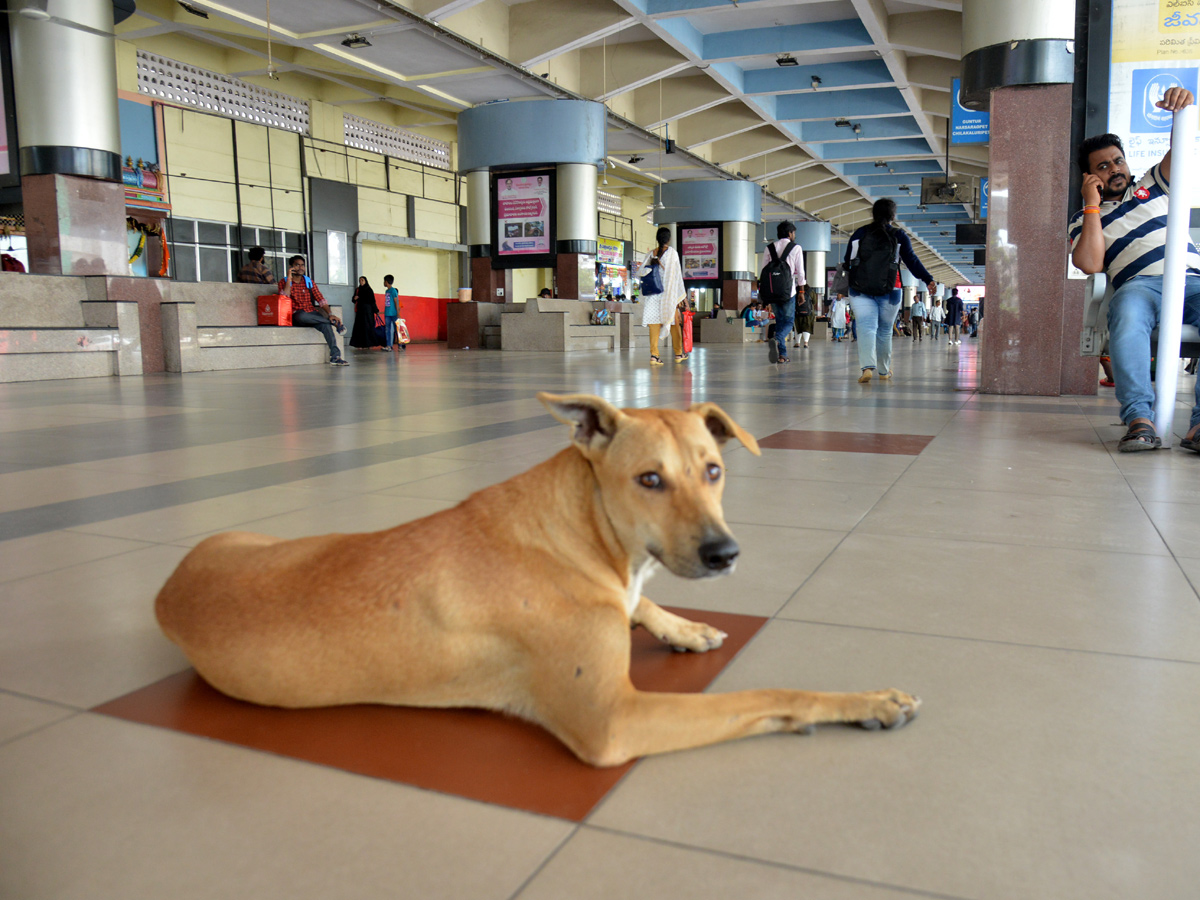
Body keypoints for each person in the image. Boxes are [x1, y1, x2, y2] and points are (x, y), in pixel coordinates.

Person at [1070, 86, 1200, 452]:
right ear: (1089, 177)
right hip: (1139, 286)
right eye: (1103, 166)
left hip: (1191, 279)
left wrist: (1181, 109)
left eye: (1118, 161)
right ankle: (1140, 419)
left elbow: (1181, 148)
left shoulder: (1152, 185)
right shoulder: (1085, 218)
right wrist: (1092, 204)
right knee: (1125, 315)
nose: (1115, 169)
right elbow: (1091, 263)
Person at [843, 198, 936, 383]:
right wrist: (928, 279)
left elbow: (848, 261)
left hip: (860, 289)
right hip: (891, 288)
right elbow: (911, 260)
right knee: (885, 331)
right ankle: (884, 371)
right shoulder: (899, 235)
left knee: (866, 327)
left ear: (873, 213)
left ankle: (867, 368)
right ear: (893, 216)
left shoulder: (860, 233)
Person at [279, 256, 348, 366]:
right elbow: (285, 296)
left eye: (302, 265)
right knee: (302, 316)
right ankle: (332, 323)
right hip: (297, 314)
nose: (301, 267)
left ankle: (335, 356)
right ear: (291, 267)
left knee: (326, 326)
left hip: (312, 313)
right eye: (297, 265)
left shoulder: (308, 282)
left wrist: (330, 314)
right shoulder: (284, 281)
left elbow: (320, 299)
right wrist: (289, 278)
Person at [638, 226, 687, 364]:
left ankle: (654, 356)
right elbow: (677, 276)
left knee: (654, 325)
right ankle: (678, 354)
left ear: (657, 239)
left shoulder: (650, 254)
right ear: (669, 239)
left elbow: (640, 272)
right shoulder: (672, 253)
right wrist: (682, 298)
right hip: (668, 296)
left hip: (653, 296)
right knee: (673, 323)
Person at [759, 220, 806, 364]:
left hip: (773, 292)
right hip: (788, 292)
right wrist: (801, 291)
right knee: (789, 322)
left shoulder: (769, 248)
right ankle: (777, 338)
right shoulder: (796, 248)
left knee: (780, 322)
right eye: (794, 233)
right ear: (790, 233)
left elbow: (763, 272)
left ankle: (782, 355)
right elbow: (800, 272)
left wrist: (764, 297)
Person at [348, 276, 384, 350]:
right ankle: (360, 344)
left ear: (365, 281)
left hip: (368, 312)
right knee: (360, 328)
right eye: (360, 280)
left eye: (362, 280)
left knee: (368, 327)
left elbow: (372, 301)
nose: (361, 282)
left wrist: (376, 310)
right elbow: (353, 300)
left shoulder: (369, 290)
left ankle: (369, 344)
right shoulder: (358, 290)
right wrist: (354, 298)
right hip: (360, 312)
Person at [382, 274, 403, 351]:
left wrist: (398, 313)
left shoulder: (393, 291)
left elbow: (396, 301)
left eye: (384, 281)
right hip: (387, 314)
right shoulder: (387, 291)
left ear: (386, 281)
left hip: (394, 314)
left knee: (397, 330)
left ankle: (400, 345)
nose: (383, 283)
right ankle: (389, 346)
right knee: (387, 330)